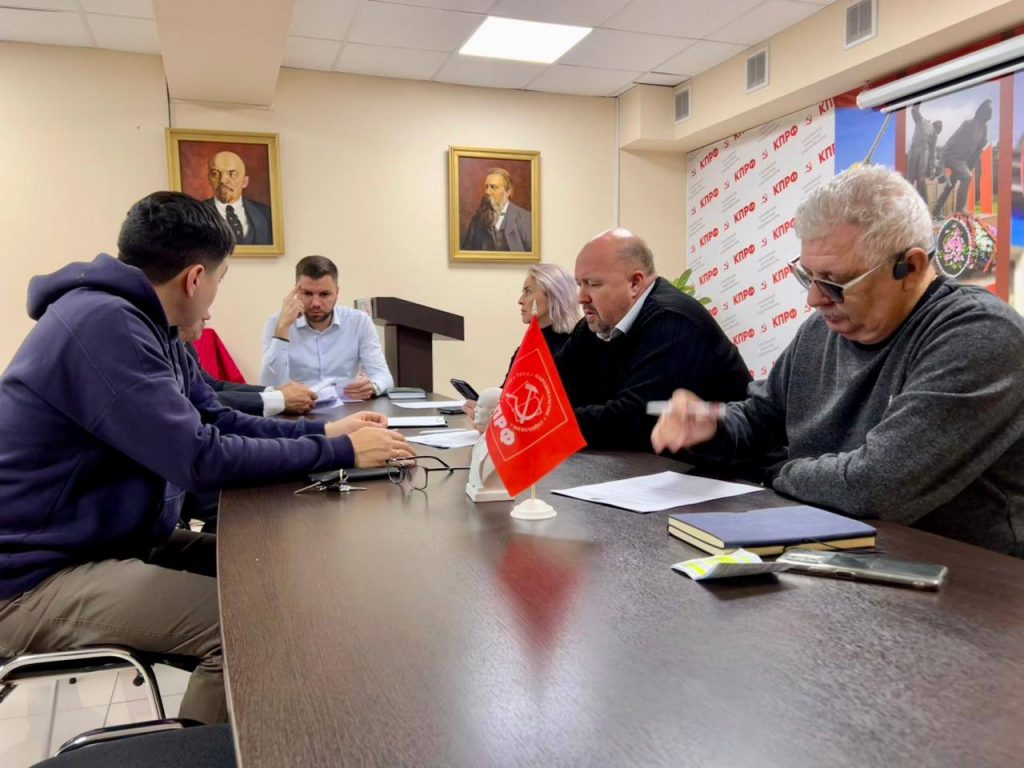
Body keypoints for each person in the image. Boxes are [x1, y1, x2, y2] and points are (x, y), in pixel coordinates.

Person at [0, 192, 413, 726]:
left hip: (108, 541)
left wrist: (325, 430)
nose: (214, 298)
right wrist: (341, 450)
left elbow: (216, 418)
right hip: (35, 576)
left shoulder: (150, 325)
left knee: (272, 575)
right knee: (248, 627)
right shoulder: (104, 324)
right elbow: (199, 458)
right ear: (196, 278)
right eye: (220, 279)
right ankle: (202, 750)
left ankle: (290, 725)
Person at [651, 165, 1024, 556]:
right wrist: (712, 426)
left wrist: (777, 472)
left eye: (835, 282)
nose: (814, 299)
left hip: (960, 573)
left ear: (910, 268)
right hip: (833, 549)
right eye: (807, 276)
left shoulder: (980, 334)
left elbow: (877, 486)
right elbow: (760, 418)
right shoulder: (821, 331)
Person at [557, 228, 751, 451]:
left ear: (635, 283)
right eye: (579, 284)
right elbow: (552, 387)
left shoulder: (672, 320)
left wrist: (549, 426)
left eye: (593, 284)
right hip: (655, 464)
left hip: (729, 468)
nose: (581, 298)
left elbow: (634, 419)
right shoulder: (596, 324)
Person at [260, 255, 394, 399]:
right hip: (298, 408)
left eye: (324, 294)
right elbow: (268, 385)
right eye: (307, 293)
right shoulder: (277, 323)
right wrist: (283, 328)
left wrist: (372, 387)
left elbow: (383, 376)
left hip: (347, 406)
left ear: (337, 293)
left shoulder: (359, 322)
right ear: (296, 292)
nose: (315, 303)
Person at [463, 264, 580, 426]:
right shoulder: (527, 347)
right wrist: (484, 409)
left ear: (553, 295)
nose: (520, 300)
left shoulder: (575, 346)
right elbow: (507, 393)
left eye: (528, 291)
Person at [182, 319, 316, 416]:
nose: (207, 316)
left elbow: (212, 385)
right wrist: (279, 399)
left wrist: (274, 391)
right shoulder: (276, 322)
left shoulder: (184, 344)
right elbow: (193, 402)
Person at [931, 99, 992, 216]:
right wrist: (942, 163)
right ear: (982, 111)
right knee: (967, 177)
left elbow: (977, 151)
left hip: (963, 161)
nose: (990, 114)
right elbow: (951, 141)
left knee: (950, 185)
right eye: (989, 111)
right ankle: (959, 209)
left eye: (991, 111)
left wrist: (970, 166)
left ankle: (936, 210)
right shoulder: (968, 124)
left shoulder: (984, 128)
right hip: (954, 157)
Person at [203, 150, 273, 245]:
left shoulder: (266, 214)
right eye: (215, 174)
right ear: (209, 179)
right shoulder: (196, 214)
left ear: (245, 181)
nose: (222, 180)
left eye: (232, 174)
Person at [461, 168, 532, 252]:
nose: (487, 192)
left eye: (493, 187)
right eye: (486, 187)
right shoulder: (476, 221)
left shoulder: (526, 219)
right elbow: (467, 253)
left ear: (508, 191)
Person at [906, 103, 942, 200]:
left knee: (914, 178)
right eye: (939, 131)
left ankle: (914, 200)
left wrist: (917, 102)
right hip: (920, 150)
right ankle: (919, 200)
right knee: (917, 178)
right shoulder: (927, 126)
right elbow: (932, 153)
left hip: (917, 149)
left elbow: (914, 111)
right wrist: (932, 169)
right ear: (937, 128)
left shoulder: (922, 121)